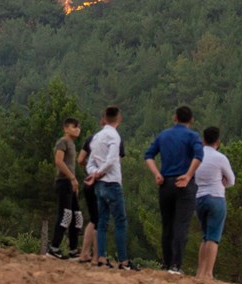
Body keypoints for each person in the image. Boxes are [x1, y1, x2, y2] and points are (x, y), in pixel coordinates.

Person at [144, 105, 203, 274]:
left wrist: (156, 173)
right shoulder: (193, 136)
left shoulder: (164, 135)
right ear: (191, 120)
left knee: (167, 225)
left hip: (166, 183)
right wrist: (188, 175)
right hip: (184, 184)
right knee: (181, 225)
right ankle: (176, 265)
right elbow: (199, 156)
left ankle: (166, 263)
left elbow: (148, 155)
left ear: (174, 118)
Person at [84, 106, 133, 270]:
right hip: (111, 182)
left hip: (99, 184)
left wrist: (94, 173)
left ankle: (101, 257)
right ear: (119, 119)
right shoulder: (114, 136)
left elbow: (89, 162)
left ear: (104, 118)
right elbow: (112, 160)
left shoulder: (97, 137)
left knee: (102, 221)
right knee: (120, 221)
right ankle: (123, 260)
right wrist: (100, 173)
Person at [194, 126, 235, 280]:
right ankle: (209, 273)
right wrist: (222, 182)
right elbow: (231, 180)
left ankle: (200, 273)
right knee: (213, 237)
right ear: (218, 142)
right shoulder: (220, 158)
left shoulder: (196, 156)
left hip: (199, 198)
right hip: (216, 197)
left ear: (203, 140)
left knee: (205, 236)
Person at [47, 117, 83, 259]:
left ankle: (73, 250)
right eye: (74, 127)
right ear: (66, 128)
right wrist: (72, 178)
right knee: (65, 215)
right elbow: (59, 161)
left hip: (70, 184)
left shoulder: (72, 145)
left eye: (78, 127)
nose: (77, 129)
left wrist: (74, 182)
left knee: (77, 217)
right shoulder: (62, 142)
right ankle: (54, 248)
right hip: (63, 182)